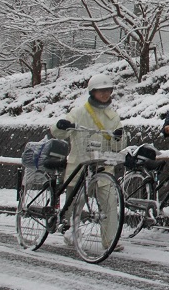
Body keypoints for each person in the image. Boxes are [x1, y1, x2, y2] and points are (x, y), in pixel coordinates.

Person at [51, 73, 126, 251]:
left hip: (102, 165)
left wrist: (118, 138)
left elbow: (119, 145)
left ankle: (110, 240)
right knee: (75, 203)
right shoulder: (79, 112)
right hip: (80, 164)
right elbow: (59, 131)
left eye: (108, 91)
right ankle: (70, 231)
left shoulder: (113, 116)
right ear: (92, 92)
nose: (105, 94)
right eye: (101, 91)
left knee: (109, 202)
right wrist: (60, 125)